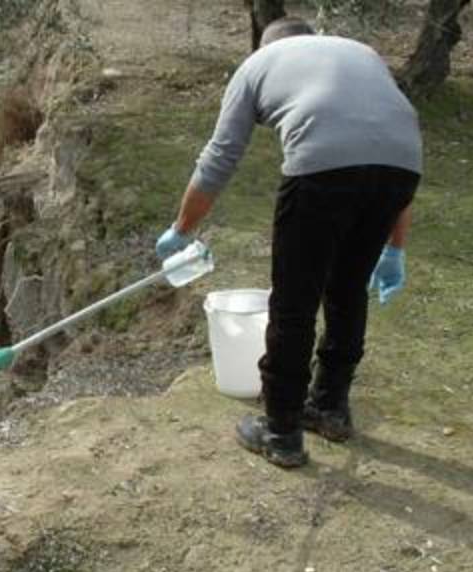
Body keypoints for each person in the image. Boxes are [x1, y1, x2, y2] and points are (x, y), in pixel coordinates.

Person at [157, 17, 423, 468]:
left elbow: (220, 157)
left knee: (294, 303)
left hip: (321, 169)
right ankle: (330, 407)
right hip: (403, 166)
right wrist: (394, 248)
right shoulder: (360, 53)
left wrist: (182, 228)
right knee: (346, 290)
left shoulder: (258, 63)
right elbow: (382, 148)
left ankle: (280, 430)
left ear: (267, 45)